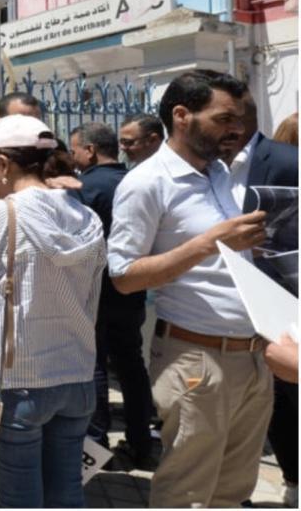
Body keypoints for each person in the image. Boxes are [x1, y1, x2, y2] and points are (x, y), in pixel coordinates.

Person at [107, 70, 271, 508]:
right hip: (197, 362)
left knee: (233, 492)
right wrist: (208, 243)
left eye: (239, 119)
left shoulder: (220, 172)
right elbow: (123, 277)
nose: (237, 129)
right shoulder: (146, 183)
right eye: (224, 119)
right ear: (182, 116)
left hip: (253, 357)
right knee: (187, 495)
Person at [0, 114, 107, 508]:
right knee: (67, 491)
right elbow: (93, 297)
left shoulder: (3, 213)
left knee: (20, 500)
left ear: (4, 162)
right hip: (77, 373)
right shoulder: (86, 215)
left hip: (19, 383)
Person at [218, 91, 299, 507]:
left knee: (285, 400)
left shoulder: (287, 163)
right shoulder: (204, 167)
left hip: (283, 310)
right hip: (228, 318)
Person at [68, 123, 156, 470]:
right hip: (132, 291)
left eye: (75, 150)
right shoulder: (135, 182)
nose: (73, 158)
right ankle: (141, 442)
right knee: (132, 367)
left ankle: (96, 444)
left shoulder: (86, 188)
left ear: (90, 150)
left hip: (97, 294)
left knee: (95, 367)